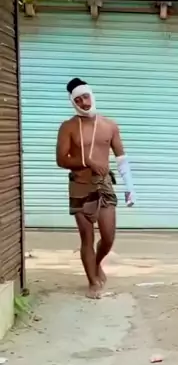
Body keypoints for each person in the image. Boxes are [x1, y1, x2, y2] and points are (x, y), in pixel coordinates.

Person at [56, 78, 136, 299]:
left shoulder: (109, 125)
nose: (84, 103)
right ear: (73, 102)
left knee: (108, 237)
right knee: (87, 238)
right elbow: (61, 159)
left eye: (86, 97)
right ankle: (92, 281)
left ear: (92, 95)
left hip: (104, 186)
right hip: (80, 186)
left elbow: (121, 159)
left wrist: (130, 188)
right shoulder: (68, 127)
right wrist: (87, 162)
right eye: (78, 100)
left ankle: (96, 263)